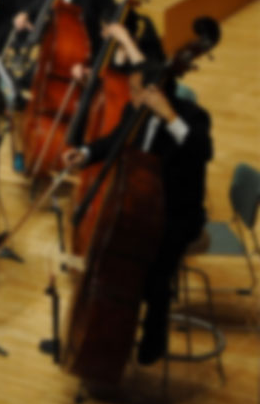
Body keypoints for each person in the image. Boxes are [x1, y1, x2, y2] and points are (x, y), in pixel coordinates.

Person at [63, 21, 213, 367]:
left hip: (177, 214)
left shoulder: (193, 116)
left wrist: (169, 116)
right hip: (138, 208)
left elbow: (201, 152)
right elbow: (114, 141)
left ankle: (155, 330)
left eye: (135, 91)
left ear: (153, 94)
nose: (129, 96)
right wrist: (85, 152)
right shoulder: (135, 111)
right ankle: (105, 331)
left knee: (156, 269)